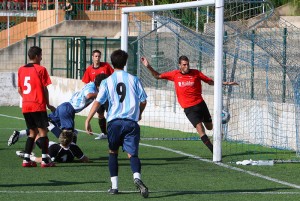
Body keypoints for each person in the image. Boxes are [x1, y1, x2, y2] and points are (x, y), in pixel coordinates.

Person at [141, 56, 238, 153]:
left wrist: (226, 83)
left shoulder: (196, 73)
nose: (187, 66)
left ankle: (218, 128)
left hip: (200, 104)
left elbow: (210, 82)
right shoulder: (175, 74)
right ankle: (214, 151)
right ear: (179, 65)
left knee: (210, 127)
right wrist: (148, 66)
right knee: (200, 128)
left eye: (187, 64)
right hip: (189, 108)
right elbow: (158, 76)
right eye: (184, 65)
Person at [85, 49, 149, 198]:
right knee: (132, 154)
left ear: (112, 63)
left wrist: (88, 119)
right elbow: (144, 100)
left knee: (112, 152)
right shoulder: (134, 79)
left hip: (114, 122)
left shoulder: (107, 81)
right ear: (125, 63)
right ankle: (137, 177)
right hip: (131, 123)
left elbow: (98, 101)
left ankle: (114, 187)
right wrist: (139, 113)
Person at [8, 73, 108, 146]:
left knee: (42, 127)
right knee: (69, 136)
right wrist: (101, 94)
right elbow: (88, 95)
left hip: (65, 108)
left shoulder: (94, 87)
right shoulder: (92, 87)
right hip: (68, 109)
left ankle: (20, 134)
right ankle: (67, 151)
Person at [18, 46, 56, 168]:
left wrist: (27, 98)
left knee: (32, 133)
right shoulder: (41, 69)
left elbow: (19, 89)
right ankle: (45, 160)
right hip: (38, 105)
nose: (41, 57)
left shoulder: (21, 69)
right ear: (36, 56)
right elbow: (45, 89)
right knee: (43, 132)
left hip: (26, 105)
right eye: (40, 55)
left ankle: (26, 159)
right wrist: (48, 104)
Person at [82, 49, 114, 140]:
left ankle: (112, 132)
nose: (97, 58)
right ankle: (104, 133)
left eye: (99, 56)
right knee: (100, 115)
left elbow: (113, 75)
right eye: (95, 56)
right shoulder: (89, 69)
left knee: (111, 114)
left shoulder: (106, 66)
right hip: (98, 96)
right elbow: (86, 83)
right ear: (92, 57)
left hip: (108, 95)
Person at [16, 130, 90, 163]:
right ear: (71, 141)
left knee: (36, 135)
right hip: (65, 153)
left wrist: (31, 157)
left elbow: (43, 159)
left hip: (51, 149)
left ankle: (27, 153)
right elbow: (85, 159)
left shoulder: (54, 147)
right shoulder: (74, 148)